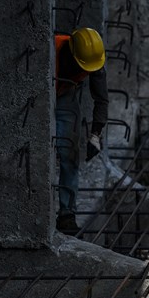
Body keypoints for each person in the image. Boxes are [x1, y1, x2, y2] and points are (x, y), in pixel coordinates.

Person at [54, 27, 109, 235]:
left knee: (69, 153)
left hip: (65, 95)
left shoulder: (93, 58)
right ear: (72, 54)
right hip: (39, 92)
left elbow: (101, 99)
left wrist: (95, 134)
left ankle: (67, 214)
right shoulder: (52, 49)